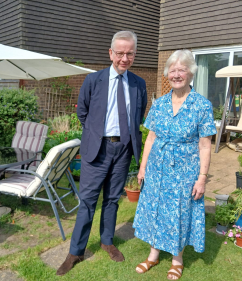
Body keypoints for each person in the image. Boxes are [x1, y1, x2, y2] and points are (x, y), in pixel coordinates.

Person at [56, 30, 148, 276]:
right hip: (97, 149)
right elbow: (83, 113)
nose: (124, 58)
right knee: (87, 201)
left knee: (112, 199)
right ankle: (76, 251)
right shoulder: (93, 81)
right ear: (111, 53)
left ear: (134, 54)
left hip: (123, 151)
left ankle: (107, 241)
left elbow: (138, 116)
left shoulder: (139, 84)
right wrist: (99, 134)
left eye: (129, 53)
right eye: (120, 53)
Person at [133, 50, 217, 280]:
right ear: (167, 73)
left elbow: (205, 145)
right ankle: (153, 255)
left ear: (191, 74)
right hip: (156, 167)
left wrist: (202, 178)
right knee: (156, 208)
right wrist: (142, 168)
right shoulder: (159, 104)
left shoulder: (202, 105)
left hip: (184, 170)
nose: (176, 74)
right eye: (173, 70)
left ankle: (177, 259)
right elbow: (150, 138)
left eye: (182, 70)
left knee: (178, 212)